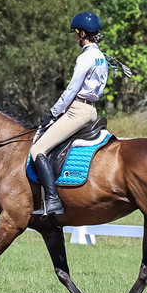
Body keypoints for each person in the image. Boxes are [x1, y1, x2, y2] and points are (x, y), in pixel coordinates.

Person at [30, 11, 109, 216]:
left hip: (78, 111)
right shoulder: (101, 57)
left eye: (76, 33)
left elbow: (72, 90)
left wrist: (53, 112)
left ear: (82, 33)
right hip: (92, 110)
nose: (75, 37)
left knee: (37, 150)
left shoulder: (84, 59)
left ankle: (53, 200)